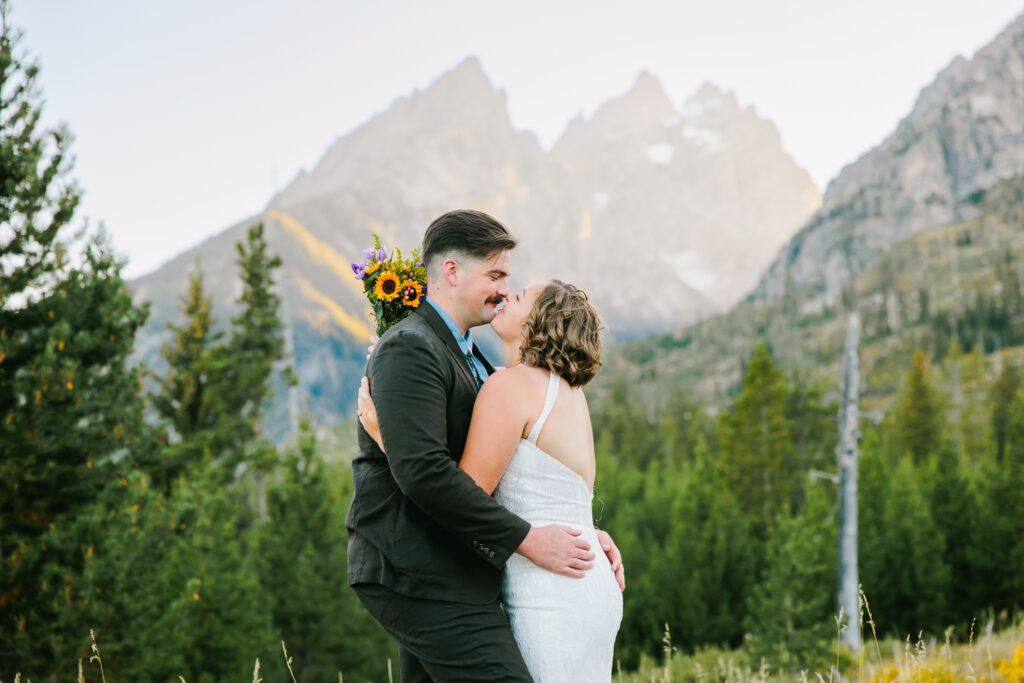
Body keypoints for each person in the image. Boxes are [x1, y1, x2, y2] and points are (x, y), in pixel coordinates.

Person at [346, 210, 622, 682]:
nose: (502, 290)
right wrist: (532, 538)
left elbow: (503, 465)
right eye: (496, 275)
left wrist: (576, 527)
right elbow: (426, 473)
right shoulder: (410, 346)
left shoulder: (478, 361)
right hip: (416, 571)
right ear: (452, 271)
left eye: (509, 281)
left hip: (460, 571)